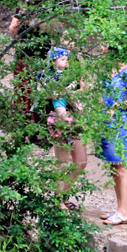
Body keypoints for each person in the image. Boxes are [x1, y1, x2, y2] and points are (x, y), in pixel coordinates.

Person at [96, 48, 127, 226]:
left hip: (119, 122)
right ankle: (119, 209)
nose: (101, 46)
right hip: (105, 121)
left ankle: (123, 212)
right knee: (114, 167)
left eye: (105, 43)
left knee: (121, 166)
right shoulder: (107, 68)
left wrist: (118, 105)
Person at [40, 47, 87, 199]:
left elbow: (83, 90)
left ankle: (62, 194)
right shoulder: (47, 74)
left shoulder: (74, 70)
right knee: (62, 161)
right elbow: (42, 92)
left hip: (75, 116)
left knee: (80, 162)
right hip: (57, 115)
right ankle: (58, 199)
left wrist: (71, 93)